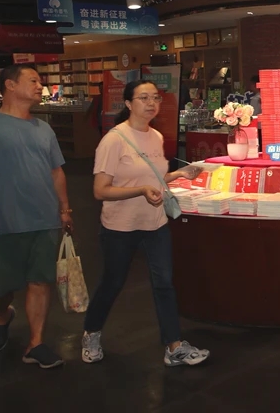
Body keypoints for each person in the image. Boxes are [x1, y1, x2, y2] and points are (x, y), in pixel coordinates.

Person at [82, 80, 209, 367]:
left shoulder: (156, 136)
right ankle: (91, 332)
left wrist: (180, 174)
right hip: (120, 226)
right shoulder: (114, 139)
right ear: (128, 103)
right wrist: (140, 191)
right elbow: (100, 190)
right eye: (143, 98)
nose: (151, 103)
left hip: (155, 222)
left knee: (164, 283)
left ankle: (173, 346)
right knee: (112, 283)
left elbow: (153, 178)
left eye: (155, 98)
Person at [0, 64, 72, 369]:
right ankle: (2, 316)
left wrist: (64, 208)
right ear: (10, 85)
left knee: (40, 281)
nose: (40, 86)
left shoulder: (44, 128)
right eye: (33, 80)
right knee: (0, 288)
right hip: (4, 220)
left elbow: (56, 171)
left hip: (44, 218)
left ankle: (35, 344)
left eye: (41, 81)